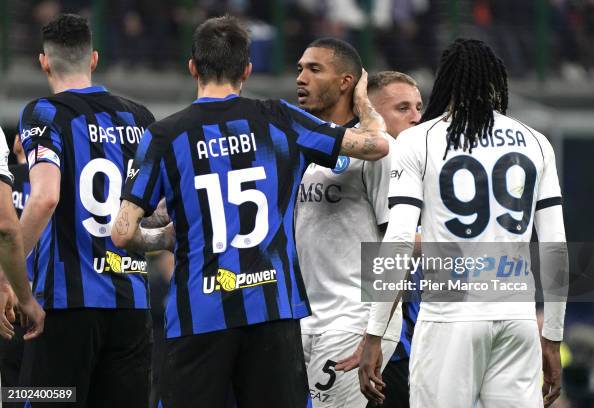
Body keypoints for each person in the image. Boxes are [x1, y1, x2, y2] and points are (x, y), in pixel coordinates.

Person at [112, 15, 389, 408]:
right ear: (247, 69)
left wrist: (164, 237)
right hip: (272, 309)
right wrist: (363, 103)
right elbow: (378, 145)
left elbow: (123, 233)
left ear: (192, 67)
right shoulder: (278, 118)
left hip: (199, 314)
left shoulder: (166, 135)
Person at [359, 38, 568, 408]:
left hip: (449, 316)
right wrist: (552, 336)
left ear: (446, 81)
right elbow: (554, 247)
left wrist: (374, 333)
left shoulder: (418, 140)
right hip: (517, 317)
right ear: (495, 82)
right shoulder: (537, 143)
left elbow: (400, 238)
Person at [17, 14, 156, 407]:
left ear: (44, 62)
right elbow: (157, 210)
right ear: (93, 59)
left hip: (66, 307)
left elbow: (44, 197)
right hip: (132, 306)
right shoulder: (140, 118)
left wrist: (7, 275)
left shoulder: (43, 113)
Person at [294, 40, 401, 408]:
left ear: (346, 82)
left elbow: (396, 245)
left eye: (314, 69)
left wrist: (374, 332)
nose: (301, 78)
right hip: (305, 321)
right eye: (299, 69)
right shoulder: (303, 145)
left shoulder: (378, 153)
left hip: (352, 319)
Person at [365, 71, 423, 408]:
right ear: (372, 113)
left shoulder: (417, 169)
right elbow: (381, 246)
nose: (417, 116)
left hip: (414, 339)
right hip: (377, 342)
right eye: (403, 108)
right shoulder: (373, 166)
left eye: (418, 107)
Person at [0, 125, 45, 351]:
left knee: (12, 378)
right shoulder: (56, 184)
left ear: (18, 142)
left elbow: (5, 229)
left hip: (9, 291)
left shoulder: (6, 180)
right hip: (46, 295)